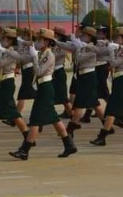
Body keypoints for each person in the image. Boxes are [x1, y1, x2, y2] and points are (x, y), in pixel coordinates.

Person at [9, 29, 78, 160]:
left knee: (35, 120)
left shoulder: (49, 55)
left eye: (40, 40)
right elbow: (23, 58)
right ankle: (69, 145)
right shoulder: (41, 53)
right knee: (54, 119)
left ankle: (25, 150)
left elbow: (39, 71)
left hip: (46, 88)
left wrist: (34, 56)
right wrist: (9, 52)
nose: (38, 42)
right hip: (42, 88)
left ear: (47, 42)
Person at [89, 26, 123, 146]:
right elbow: (105, 56)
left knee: (113, 109)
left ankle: (102, 136)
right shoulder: (119, 49)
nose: (115, 39)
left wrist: (111, 52)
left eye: (117, 37)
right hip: (118, 80)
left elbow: (114, 63)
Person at [66, 26, 105, 138]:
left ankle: (71, 127)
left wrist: (78, 47)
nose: (81, 37)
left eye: (83, 35)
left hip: (89, 77)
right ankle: (107, 125)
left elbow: (79, 59)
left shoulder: (92, 48)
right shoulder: (83, 46)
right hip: (83, 76)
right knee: (95, 103)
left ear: (89, 37)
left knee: (80, 103)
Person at [53, 27, 73, 118]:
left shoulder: (62, 46)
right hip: (53, 72)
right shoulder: (53, 45)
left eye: (55, 34)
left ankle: (72, 115)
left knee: (63, 97)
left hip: (59, 71)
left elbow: (55, 56)